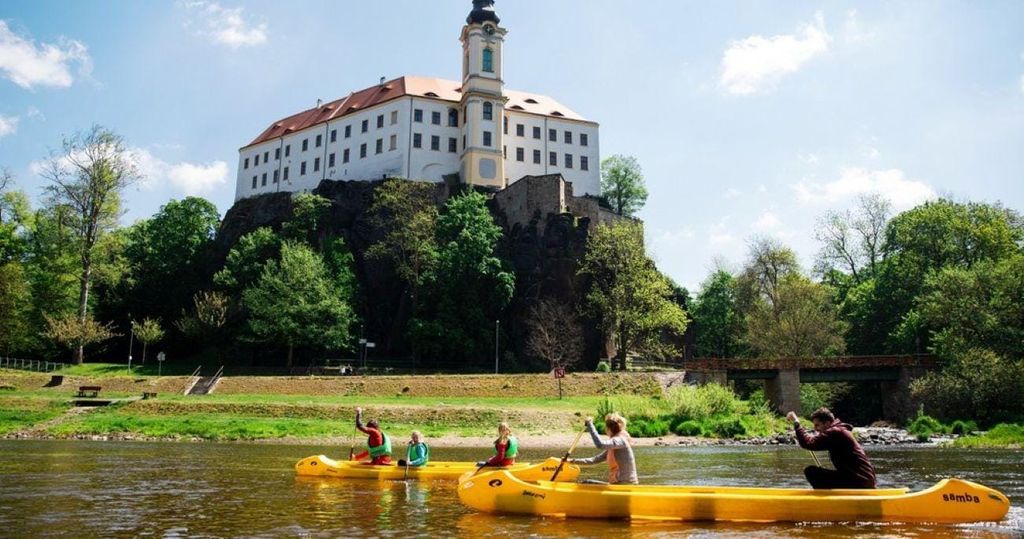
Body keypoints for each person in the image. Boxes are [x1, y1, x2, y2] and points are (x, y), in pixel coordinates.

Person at [786, 407, 876, 489]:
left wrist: (796, 422)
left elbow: (808, 443)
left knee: (811, 472)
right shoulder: (839, 430)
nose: (815, 429)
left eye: (817, 425)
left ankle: (826, 501)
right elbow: (813, 441)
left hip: (858, 481)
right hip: (864, 480)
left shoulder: (835, 432)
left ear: (827, 423)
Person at [568, 413, 638, 484]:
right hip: (616, 484)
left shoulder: (620, 441)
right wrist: (571, 461)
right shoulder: (614, 445)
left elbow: (600, 444)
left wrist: (590, 425)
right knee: (587, 482)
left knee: (587, 483)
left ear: (608, 429)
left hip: (625, 485)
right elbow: (594, 460)